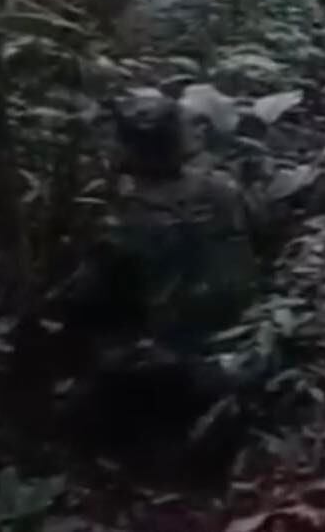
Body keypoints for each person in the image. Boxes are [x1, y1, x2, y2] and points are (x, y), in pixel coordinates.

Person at [60, 91, 259, 471]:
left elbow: (82, 307)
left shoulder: (121, 220)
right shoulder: (226, 192)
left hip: (178, 372)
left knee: (80, 395)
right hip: (245, 352)